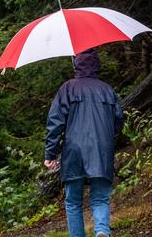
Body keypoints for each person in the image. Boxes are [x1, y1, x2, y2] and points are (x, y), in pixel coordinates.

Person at [44, 49, 124, 237]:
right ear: (96, 64)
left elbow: (55, 123)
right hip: (101, 150)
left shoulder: (67, 88)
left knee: (73, 202)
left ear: (75, 64)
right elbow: (119, 121)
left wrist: (50, 154)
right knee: (100, 198)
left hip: (74, 151)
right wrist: (106, 139)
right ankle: (102, 230)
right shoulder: (107, 89)